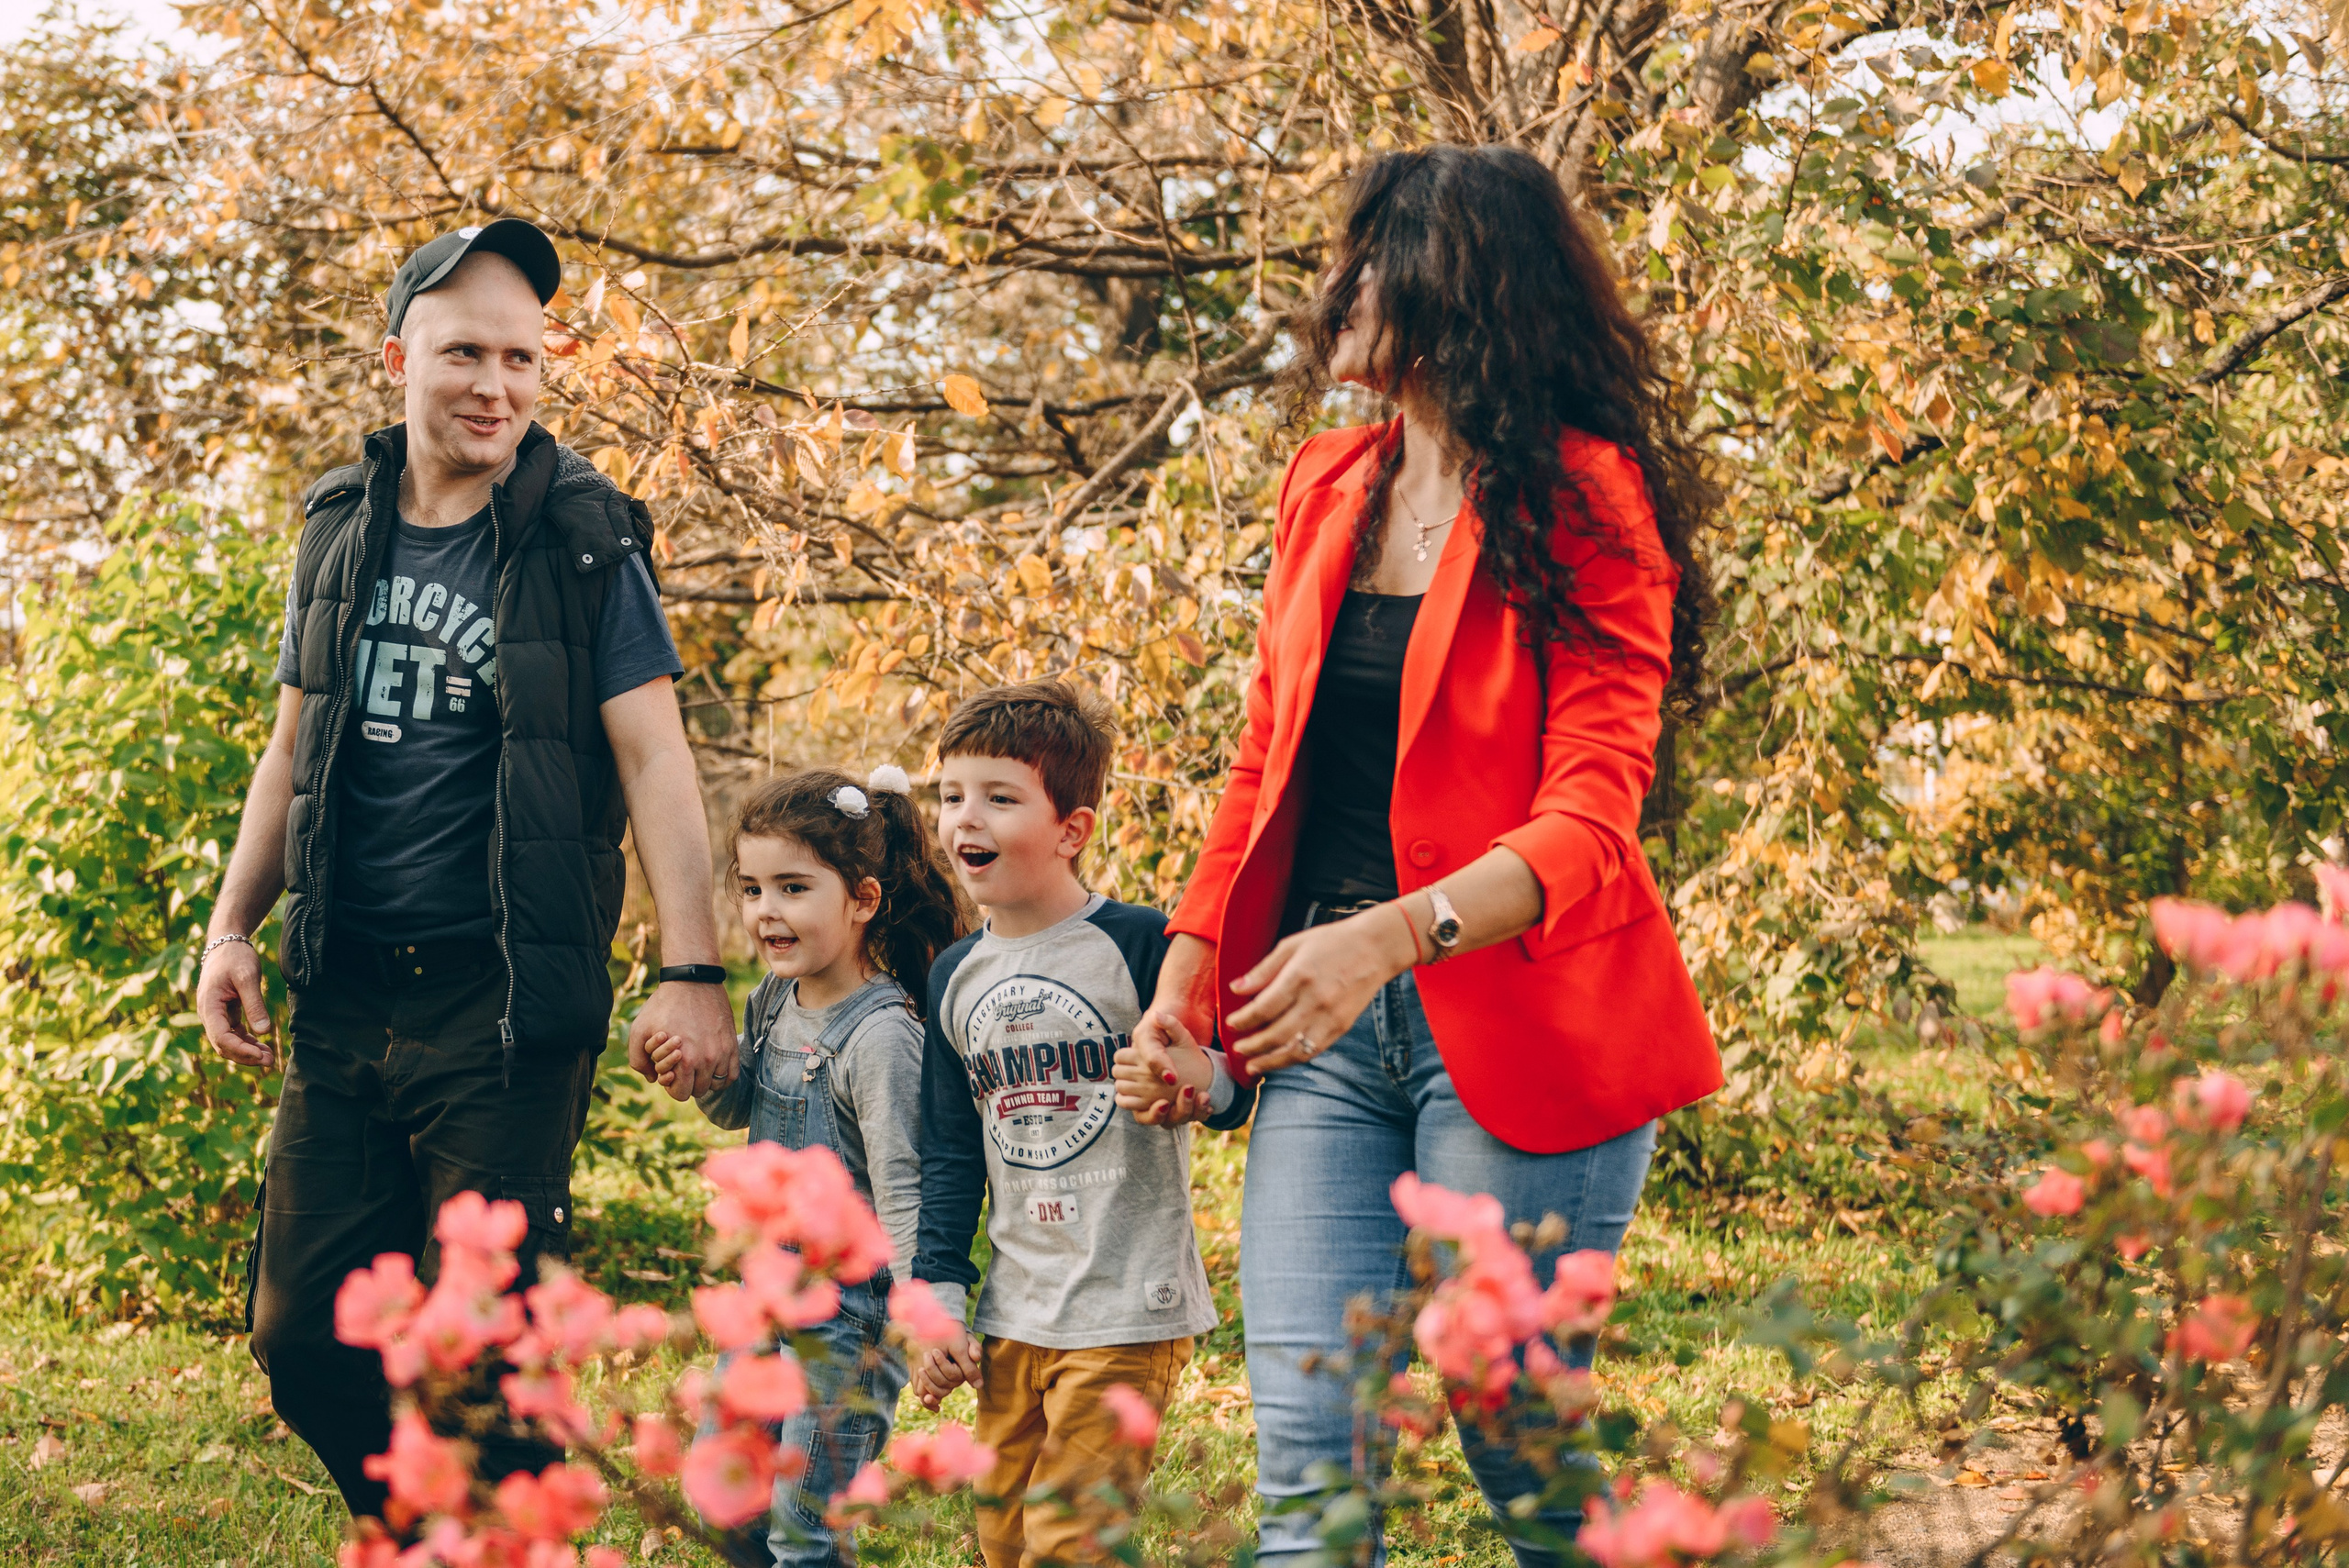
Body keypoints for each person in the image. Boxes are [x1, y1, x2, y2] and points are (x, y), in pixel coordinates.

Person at [1115, 145, 1725, 1566]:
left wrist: (1385, 936)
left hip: (1516, 1023)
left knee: (1512, 1435)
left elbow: (1592, 818)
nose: (1337, 289)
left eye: (1371, 256)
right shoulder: (1328, 483)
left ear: (1456, 285)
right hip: (1316, 1026)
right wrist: (1187, 981)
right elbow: (1263, 761)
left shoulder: (1585, 498)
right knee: (1311, 1469)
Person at [194, 218, 740, 1521]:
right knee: (302, 1337)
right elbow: (291, 749)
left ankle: (504, 1537)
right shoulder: (335, 524)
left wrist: (691, 968)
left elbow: (659, 759)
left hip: (499, 1010)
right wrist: (229, 930)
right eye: (462, 354)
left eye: (520, 358)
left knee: (481, 1360)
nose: (495, 385)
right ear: (398, 360)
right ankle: (452, 1535)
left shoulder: (586, 536)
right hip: (342, 994)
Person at [908, 680, 1256, 1568]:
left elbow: (1231, 1083)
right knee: (1005, 1537)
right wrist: (938, 1297)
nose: (964, 818)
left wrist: (1196, 1078)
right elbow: (950, 1153)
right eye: (951, 795)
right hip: (1015, 1309)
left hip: (1127, 1301)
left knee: (1070, 1543)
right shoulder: (952, 976)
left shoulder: (1142, 945)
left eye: (998, 796)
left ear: (1073, 829)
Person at [645, 763, 964, 1567]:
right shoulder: (773, 999)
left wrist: (921, 1318)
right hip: (764, 1299)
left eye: (792, 887)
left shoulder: (884, 1035)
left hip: (848, 1323)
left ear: (863, 899)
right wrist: (694, 1073)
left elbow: (905, 1190)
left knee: (805, 1526)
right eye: (752, 889)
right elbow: (739, 1105)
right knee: (726, 1490)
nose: (765, 911)